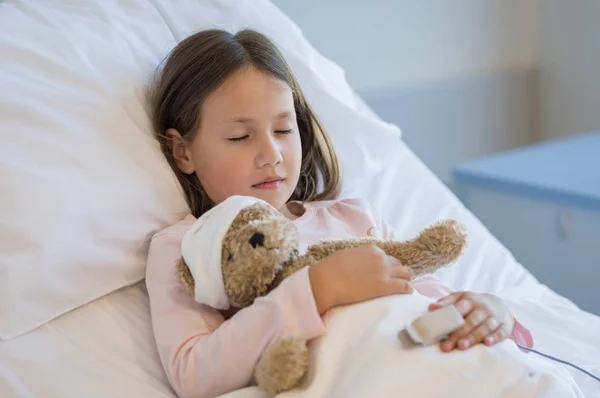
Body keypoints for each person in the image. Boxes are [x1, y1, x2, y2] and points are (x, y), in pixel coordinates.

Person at [145, 28, 534, 398]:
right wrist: (316, 290)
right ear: (184, 152)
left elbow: (429, 299)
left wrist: (491, 314)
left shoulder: (354, 218)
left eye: (283, 130)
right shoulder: (186, 248)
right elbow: (194, 373)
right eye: (240, 137)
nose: (272, 155)